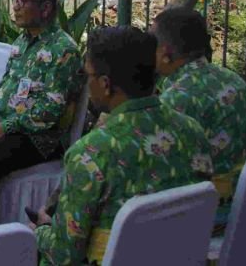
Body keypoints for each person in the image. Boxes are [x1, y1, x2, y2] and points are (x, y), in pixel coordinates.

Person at [33, 27, 214, 265]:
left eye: (88, 75)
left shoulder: (91, 154)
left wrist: (41, 230)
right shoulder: (193, 133)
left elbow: (64, 255)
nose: (87, 83)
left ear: (106, 84)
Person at [0, 0, 82, 228]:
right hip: (3, 123)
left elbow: (50, 111)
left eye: (22, 1)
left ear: (46, 8)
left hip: (38, 138)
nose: (14, 7)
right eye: (15, 0)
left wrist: (5, 127)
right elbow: (3, 84)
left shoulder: (64, 50)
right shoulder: (21, 42)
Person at [152, 7, 246, 229]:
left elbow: (162, 172)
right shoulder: (235, 81)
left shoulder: (176, 99)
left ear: (165, 52)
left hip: (206, 216)